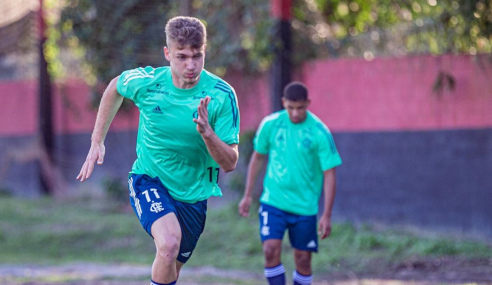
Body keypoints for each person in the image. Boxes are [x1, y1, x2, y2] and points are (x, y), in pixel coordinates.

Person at [77, 16, 240, 285]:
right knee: (167, 245)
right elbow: (114, 87)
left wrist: (208, 135)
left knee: (171, 267)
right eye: (182, 56)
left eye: (197, 56)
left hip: (193, 195)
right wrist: (97, 140)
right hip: (149, 179)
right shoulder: (148, 82)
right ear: (167, 54)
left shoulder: (222, 95)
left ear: (205, 51)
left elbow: (230, 162)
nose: (191, 64)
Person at [238, 82, 341, 285]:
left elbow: (330, 174)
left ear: (308, 103)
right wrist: (248, 194)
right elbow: (258, 157)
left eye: (300, 107)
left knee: (303, 259)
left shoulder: (320, 132)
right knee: (269, 250)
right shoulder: (271, 124)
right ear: (284, 103)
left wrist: (327, 215)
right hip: (273, 201)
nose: (295, 113)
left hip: (305, 206)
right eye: (290, 107)